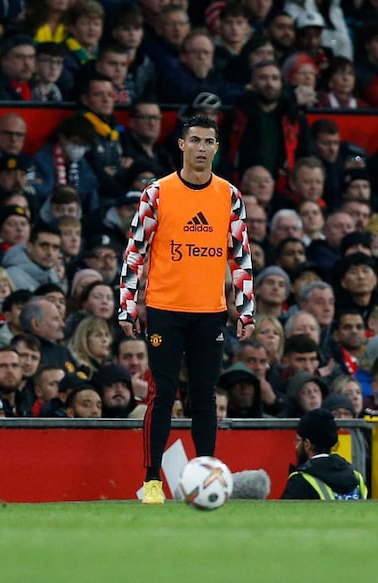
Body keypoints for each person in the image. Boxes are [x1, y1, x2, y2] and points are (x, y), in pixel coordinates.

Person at [118, 115, 255, 505]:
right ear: (181, 145)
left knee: (205, 395)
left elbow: (240, 256)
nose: (200, 148)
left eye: (207, 141)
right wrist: (128, 306)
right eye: (193, 140)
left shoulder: (229, 195)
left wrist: (245, 309)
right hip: (164, 308)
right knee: (161, 393)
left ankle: (206, 477)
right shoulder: (156, 193)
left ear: (216, 148)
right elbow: (135, 252)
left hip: (209, 311)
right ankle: (151, 481)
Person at [281, 408, 367, 500]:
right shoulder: (357, 478)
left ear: (307, 444)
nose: (296, 447)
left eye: (298, 441)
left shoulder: (300, 480)